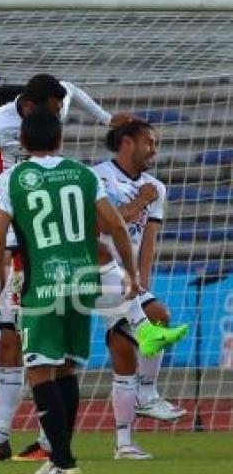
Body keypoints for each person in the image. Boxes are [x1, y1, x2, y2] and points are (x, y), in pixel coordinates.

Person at [0, 75, 183, 462]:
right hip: (69, 268)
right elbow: (115, 228)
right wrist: (134, 276)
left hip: (36, 268)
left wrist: (106, 117)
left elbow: (70, 89)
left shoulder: (24, 175)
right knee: (33, 348)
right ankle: (5, 435)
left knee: (43, 360)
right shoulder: (74, 171)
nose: (61, 112)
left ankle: (49, 445)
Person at [0, 108, 139, 474]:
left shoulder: (12, 179)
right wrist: (131, 273)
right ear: (59, 141)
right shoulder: (84, 175)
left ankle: (64, 463)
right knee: (66, 368)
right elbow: (116, 223)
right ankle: (58, 458)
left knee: (38, 371)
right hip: (84, 282)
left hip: (44, 285)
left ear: (22, 143)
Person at [95, 118, 189, 424]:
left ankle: (125, 442)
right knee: (158, 316)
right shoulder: (98, 177)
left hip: (128, 278)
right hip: (97, 271)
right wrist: (139, 201)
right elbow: (101, 224)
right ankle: (147, 395)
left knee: (126, 348)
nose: (154, 149)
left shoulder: (156, 188)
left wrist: (143, 281)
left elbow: (149, 238)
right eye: (149, 142)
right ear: (127, 143)